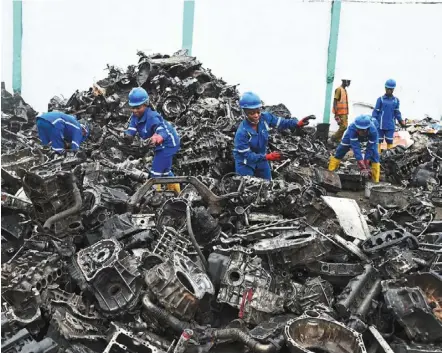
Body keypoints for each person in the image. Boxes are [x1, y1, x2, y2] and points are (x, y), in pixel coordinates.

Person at [233, 91, 315, 180]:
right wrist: (268, 156)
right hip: (246, 163)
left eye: (258, 111)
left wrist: (297, 123)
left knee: (268, 185)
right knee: (247, 189)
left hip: (262, 159)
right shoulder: (241, 133)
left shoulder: (265, 118)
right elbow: (247, 156)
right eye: (252, 113)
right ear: (244, 113)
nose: (256, 115)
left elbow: (282, 123)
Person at [123, 87, 181, 193]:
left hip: (168, 144)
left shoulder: (152, 117)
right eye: (133, 107)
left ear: (146, 104)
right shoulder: (135, 116)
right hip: (160, 145)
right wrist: (128, 135)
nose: (135, 110)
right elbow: (132, 126)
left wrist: (156, 138)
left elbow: (162, 131)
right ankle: (177, 193)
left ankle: (155, 196)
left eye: (138, 107)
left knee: (156, 172)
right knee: (165, 171)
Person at [328, 114, 380, 183]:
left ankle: (375, 181)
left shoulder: (373, 130)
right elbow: (356, 148)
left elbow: (370, 148)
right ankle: (330, 174)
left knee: (375, 154)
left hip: (370, 135)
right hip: (352, 134)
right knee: (340, 150)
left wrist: (366, 164)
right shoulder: (352, 128)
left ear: (367, 128)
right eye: (359, 129)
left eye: (363, 130)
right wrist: (362, 166)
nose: (360, 132)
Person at [372, 79, 405, 153]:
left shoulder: (396, 100)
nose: (389, 90)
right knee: (378, 141)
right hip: (380, 126)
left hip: (390, 126)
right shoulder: (380, 100)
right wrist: (374, 122)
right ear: (385, 88)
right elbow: (375, 112)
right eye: (388, 89)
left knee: (389, 142)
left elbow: (397, 112)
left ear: (393, 89)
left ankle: (389, 158)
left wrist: (401, 120)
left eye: (391, 89)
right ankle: (378, 159)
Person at [331, 78, 351, 143]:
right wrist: (336, 114)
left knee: (343, 127)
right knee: (343, 127)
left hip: (344, 113)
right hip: (340, 113)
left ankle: (338, 140)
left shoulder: (344, 90)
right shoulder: (339, 89)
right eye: (348, 82)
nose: (349, 83)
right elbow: (335, 101)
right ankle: (333, 138)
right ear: (344, 81)